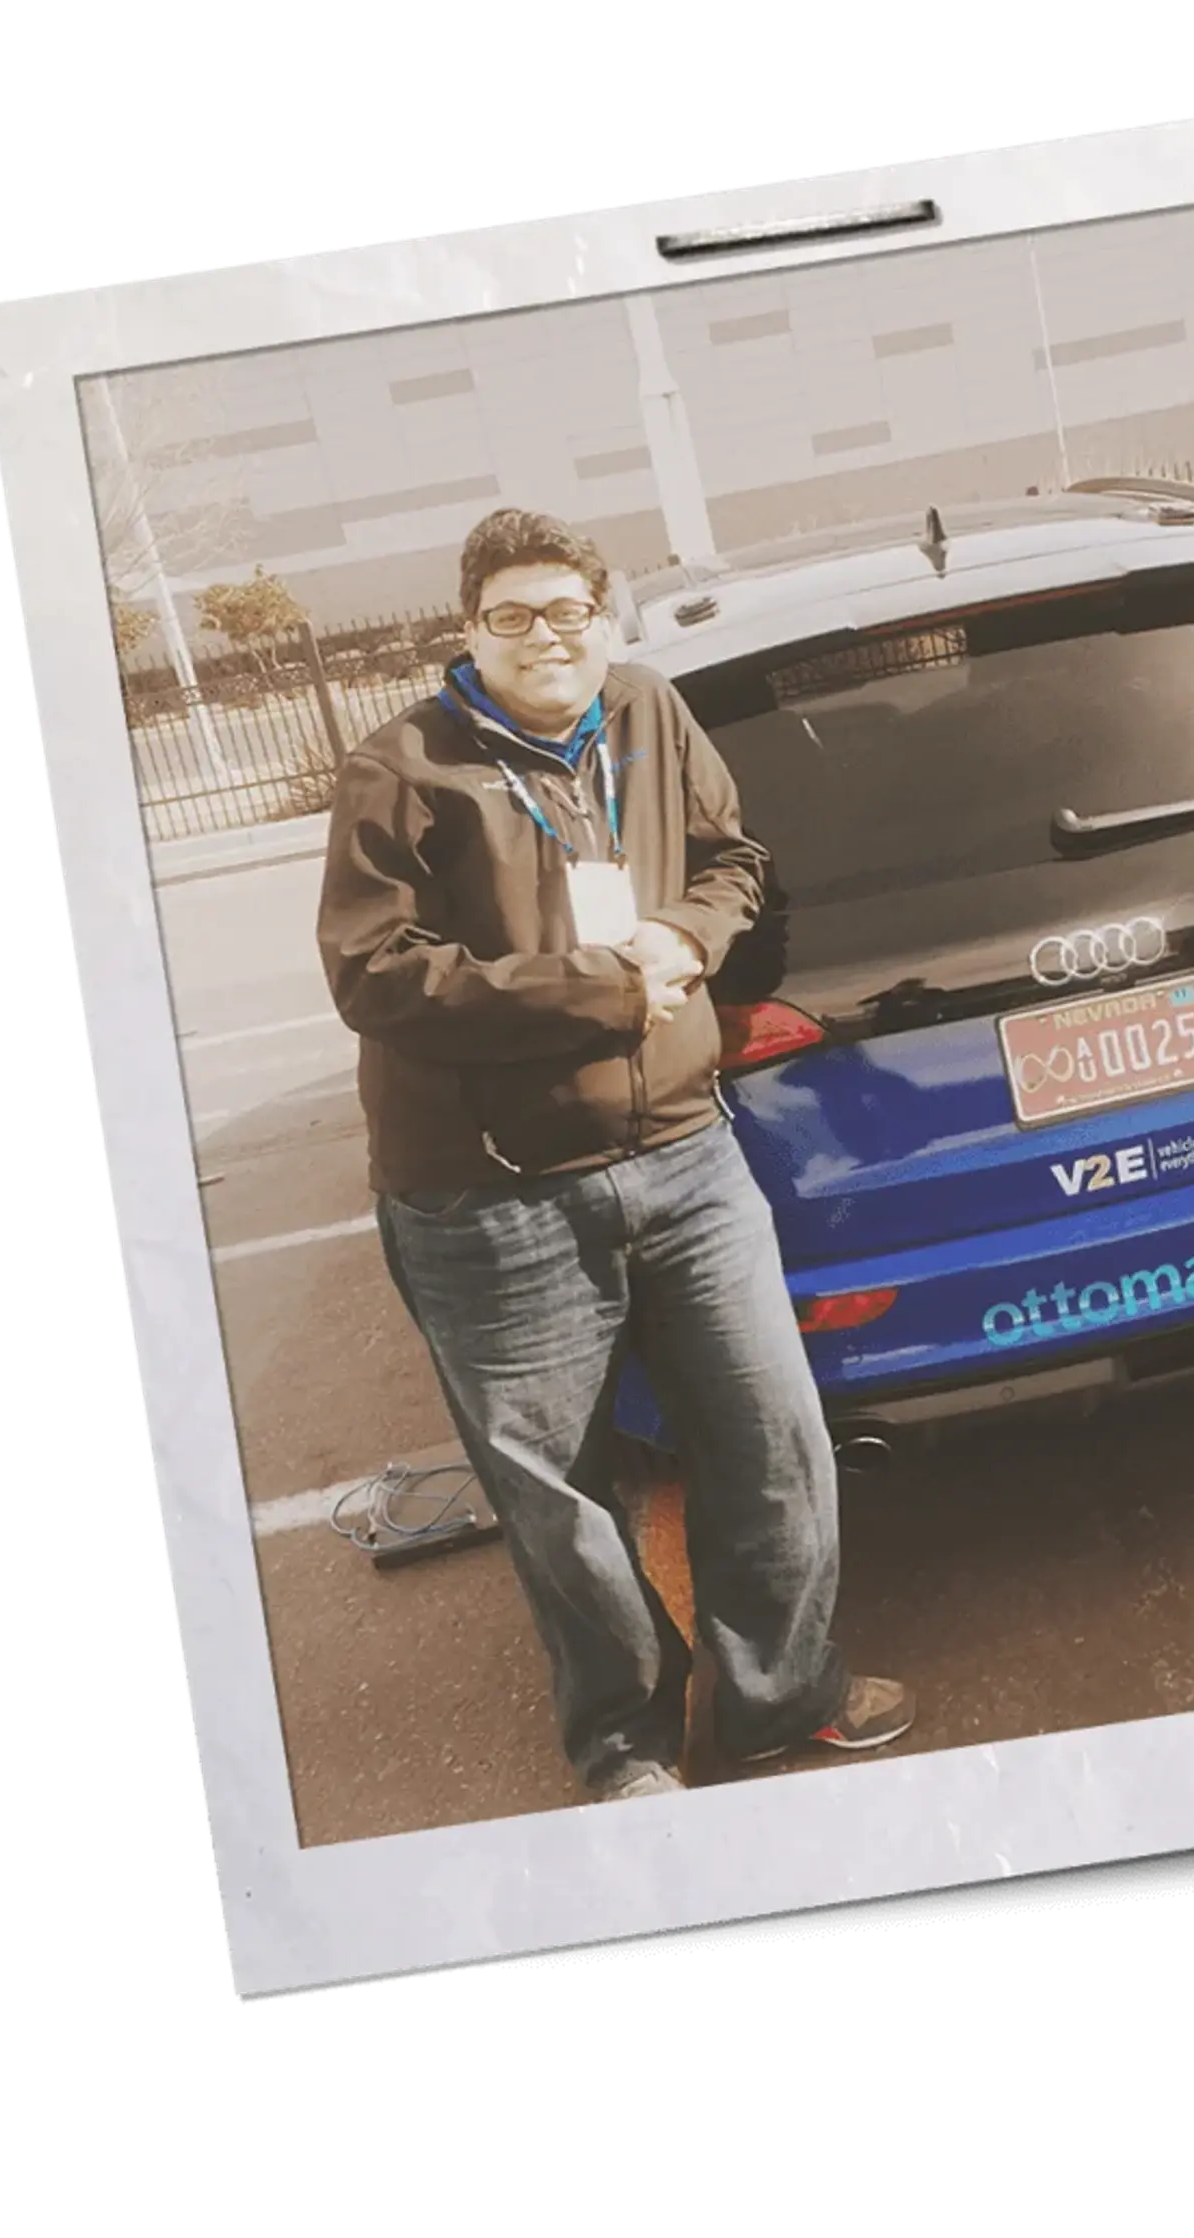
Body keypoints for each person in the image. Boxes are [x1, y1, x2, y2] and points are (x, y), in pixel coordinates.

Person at [315, 508, 912, 1805]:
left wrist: (690, 939)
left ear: (607, 617)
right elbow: (374, 974)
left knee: (770, 1439)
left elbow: (731, 861)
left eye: (568, 610)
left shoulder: (647, 711)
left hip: (687, 1156)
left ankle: (779, 1699)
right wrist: (595, 988)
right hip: (489, 1198)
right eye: (513, 614)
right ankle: (625, 1738)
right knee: (564, 1506)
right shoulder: (401, 769)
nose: (545, 635)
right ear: (467, 631)